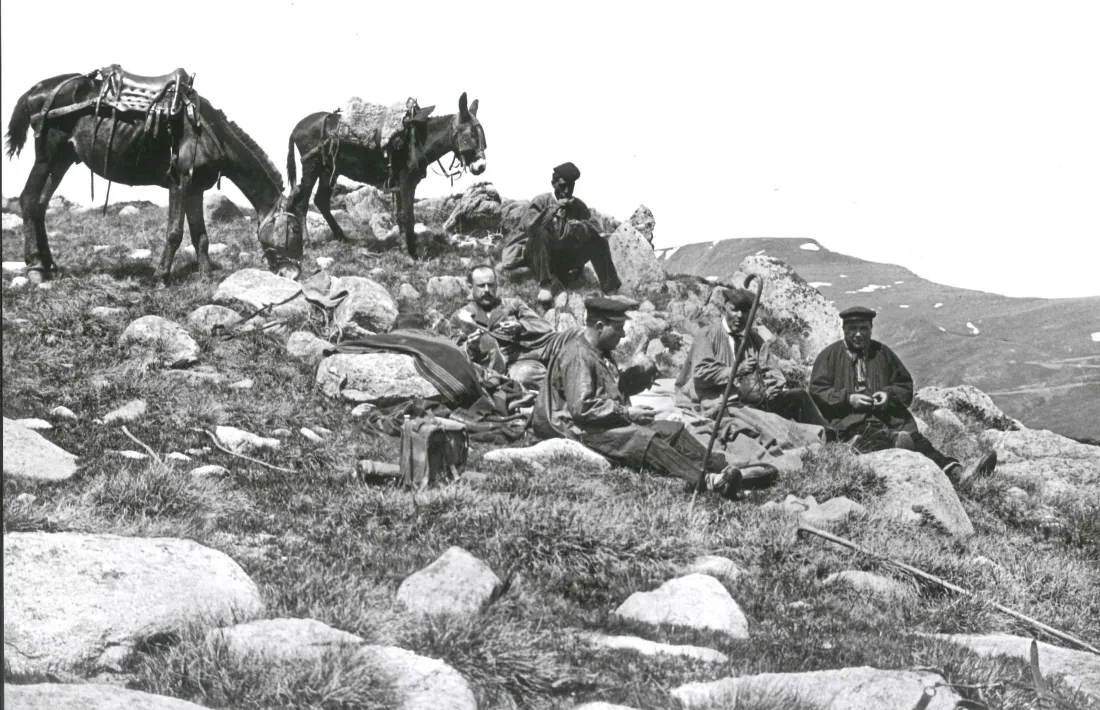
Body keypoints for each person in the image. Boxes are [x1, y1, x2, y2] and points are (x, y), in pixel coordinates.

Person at [532, 295, 743, 498]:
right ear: (599, 326)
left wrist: (637, 379)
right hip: (578, 429)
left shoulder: (599, 352)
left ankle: (719, 465)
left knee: (671, 430)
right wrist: (628, 413)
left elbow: (609, 391)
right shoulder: (577, 355)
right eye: (618, 328)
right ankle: (707, 481)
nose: (623, 335)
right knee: (644, 438)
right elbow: (582, 408)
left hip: (599, 423)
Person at [809, 306, 997, 486]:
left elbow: (905, 386)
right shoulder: (829, 356)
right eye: (853, 329)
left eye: (863, 328)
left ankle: (958, 472)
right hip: (850, 423)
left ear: (871, 329)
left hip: (888, 420)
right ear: (843, 329)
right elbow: (817, 391)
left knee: (920, 443)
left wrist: (888, 396)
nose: (858, 334)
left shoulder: (883, 353)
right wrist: (848, 399)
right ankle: (900, 448)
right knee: (874, 439)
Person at [675, 285, 835, 438]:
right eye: (734, 309)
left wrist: (771, 386)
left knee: (799, 396)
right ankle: (811, 438)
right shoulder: (707, 335)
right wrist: (735, 370)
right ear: (724, 309)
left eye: (744, 311)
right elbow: (701, 373)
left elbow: (773, 372)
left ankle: (830, 435)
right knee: (768, 423)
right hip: (722, 402)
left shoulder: (754, 339)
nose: (739, 316)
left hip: (756, 400)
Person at [501, 162, 622, 304]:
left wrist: (582, 228)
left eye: (571, 187)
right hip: (538, 257)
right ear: (553, 184)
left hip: (564, 260)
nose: (566, 191)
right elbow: (528, 226)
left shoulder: (577, 205)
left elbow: (595, 227)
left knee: (598, 242)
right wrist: (553, 209)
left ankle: (611, 289)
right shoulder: (542, 200)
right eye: (563, 186)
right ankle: (545, 286)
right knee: (540, 232)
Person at [449, 265, 557, 390]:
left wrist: (521, 326)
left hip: (520, 362)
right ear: (470, 287)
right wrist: (470, 347)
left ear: (496, 285)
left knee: (527, 374)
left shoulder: (513, 304)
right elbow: (455, 354)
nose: (487, 290)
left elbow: (543, 326)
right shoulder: (459, 317)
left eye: (491, 285)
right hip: (487, 371)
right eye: (481, 286)